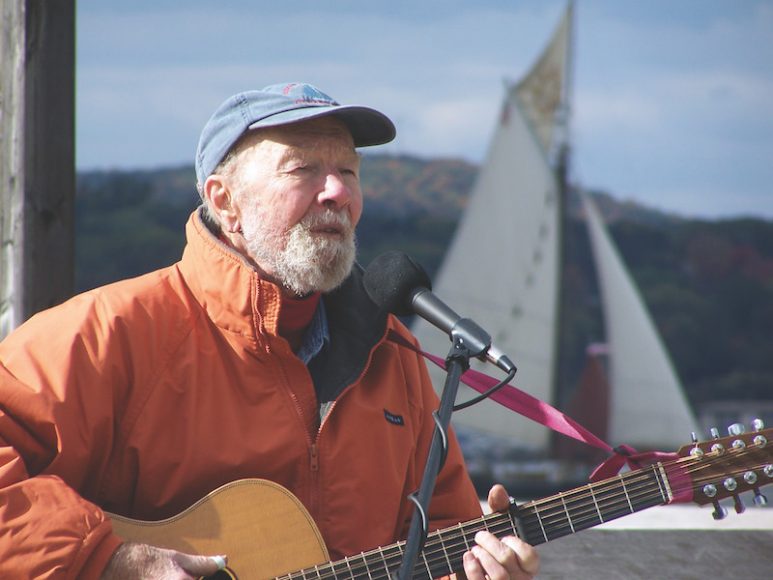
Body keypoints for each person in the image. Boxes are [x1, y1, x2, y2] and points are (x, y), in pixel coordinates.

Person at [0, 82, 539, 579]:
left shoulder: (393, 353)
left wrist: (477, 572)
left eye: (349, 171)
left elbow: (440, 536)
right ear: (223, 201)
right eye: (302, 168)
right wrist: (110, 559)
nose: (336, 192)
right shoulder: (107, 335)